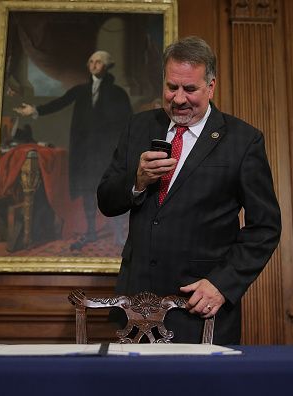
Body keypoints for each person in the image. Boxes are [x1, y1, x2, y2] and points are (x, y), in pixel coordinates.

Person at [97, 36, 281, 344]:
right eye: (171, 87)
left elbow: (266, 227)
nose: (178, 99)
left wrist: (222, 284)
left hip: (199, 308)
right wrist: (137, 180)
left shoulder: (243, 141)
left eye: (190, 89)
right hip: (135, 308)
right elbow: (106, 200)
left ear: (211, 86)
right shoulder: (138, 127)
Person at [15, 50, 132, 250]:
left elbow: (128, 122)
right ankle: (91, 232)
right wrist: (34, 110)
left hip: (107, 152)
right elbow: (60, 103)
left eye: (99, 62)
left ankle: (120, 234)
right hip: (85, 153)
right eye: (92, 62)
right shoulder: (80, 90)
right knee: (87, 190)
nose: (94, 65)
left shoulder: (118, 94)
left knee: (112, 190)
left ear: (107, 66)